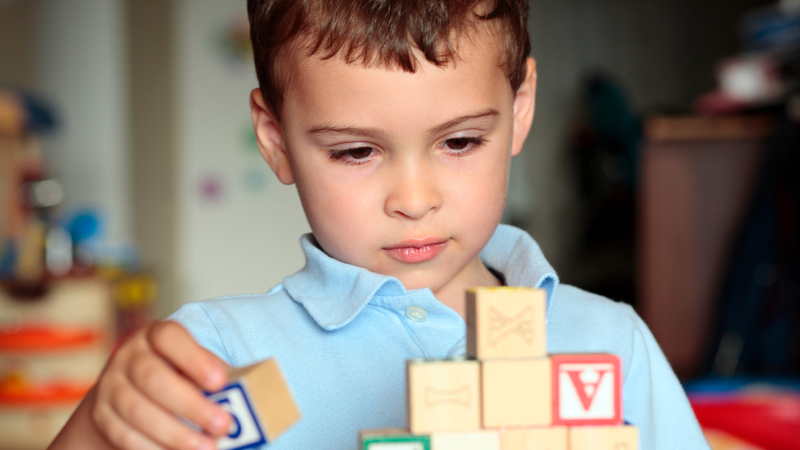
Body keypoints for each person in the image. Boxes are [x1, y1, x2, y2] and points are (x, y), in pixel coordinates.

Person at [49, 0, 709, 449]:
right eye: (356, 152)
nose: (414, 200)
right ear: (276, 140)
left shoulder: (610, 344)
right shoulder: (214, 359)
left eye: (459, 142)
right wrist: (99, 430)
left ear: (519, 109)